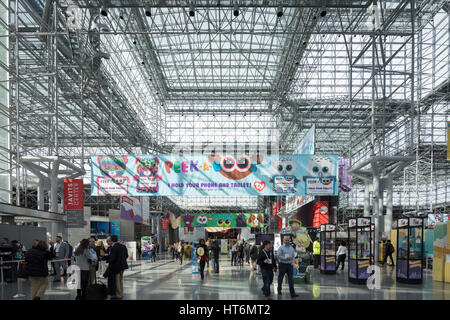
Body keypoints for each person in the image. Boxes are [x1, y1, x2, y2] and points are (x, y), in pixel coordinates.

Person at [107, 235, 128, 299]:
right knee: (120, 280)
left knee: (117, 281)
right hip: (123, 266)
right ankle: (121, 293)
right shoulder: (123, 246)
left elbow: (113, 258)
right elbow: (126, 255)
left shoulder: (114, 247)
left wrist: (107, 259)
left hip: (116, 266)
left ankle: (118, 294)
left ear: (112, 240)